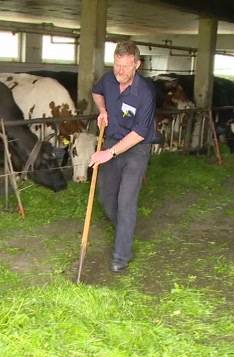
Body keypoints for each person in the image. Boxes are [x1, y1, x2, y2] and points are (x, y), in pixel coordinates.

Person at [88, 41, 157, 273]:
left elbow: (139, 133)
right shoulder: (108, 80)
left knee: (125, 201)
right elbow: (96, 92)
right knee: (107, 200)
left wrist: (109, 153)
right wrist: (103, 110)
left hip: (136, 149)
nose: (120, 71)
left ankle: (121, 254)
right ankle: (124, 232)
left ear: (137, 65)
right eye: (117, 65)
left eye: (126, 66)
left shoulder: (145, 93)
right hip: (111, 143)